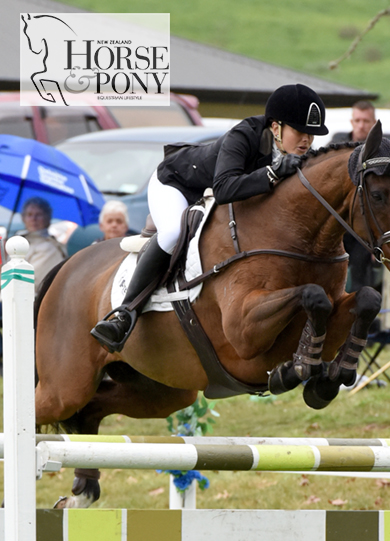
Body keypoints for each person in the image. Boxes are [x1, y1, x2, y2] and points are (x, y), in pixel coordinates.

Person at [91, 83, 329, 353]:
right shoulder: (244, 135)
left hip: (211, 195)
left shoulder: (298, 155)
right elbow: (225, 188)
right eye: (300, 131)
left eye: (311, 134)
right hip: (177, 184)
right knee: (172, 233)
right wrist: (272, 174)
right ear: (276, 127)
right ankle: (125, 314)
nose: (307, 141)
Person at [329, 101, 379, 294]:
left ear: (373, 122)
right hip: (337, 222)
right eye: (357, 120)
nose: (361, 125)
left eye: (366, 121)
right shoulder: (337, 144)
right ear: (351, 121)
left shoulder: (380, 150)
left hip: (362, 229)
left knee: (360, 280)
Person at [17, 197, 67, 294]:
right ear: (23, 218)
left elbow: (29, 282)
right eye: (29, 215)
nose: (33, 219)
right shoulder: (19, 239)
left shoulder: (49, 247)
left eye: (38, 215)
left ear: (47, 218)